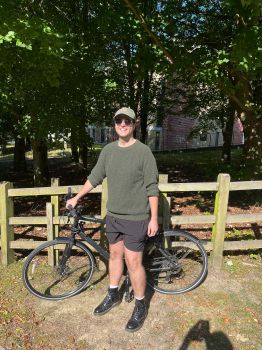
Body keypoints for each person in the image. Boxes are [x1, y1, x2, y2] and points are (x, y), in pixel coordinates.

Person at [66, 107, 159, 332]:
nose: (123, 124)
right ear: (115, 125)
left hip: (136, 218)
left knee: (134, 263)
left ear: (134, 124)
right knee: (115, 256)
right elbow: (94, 177)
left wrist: (153, 218)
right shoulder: (108, 151)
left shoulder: (144, 152)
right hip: (114, 217)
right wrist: (77, 197)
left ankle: (140, 305)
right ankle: (113, 294)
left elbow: (152, 187)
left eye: (127, 120)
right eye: (119, 121)